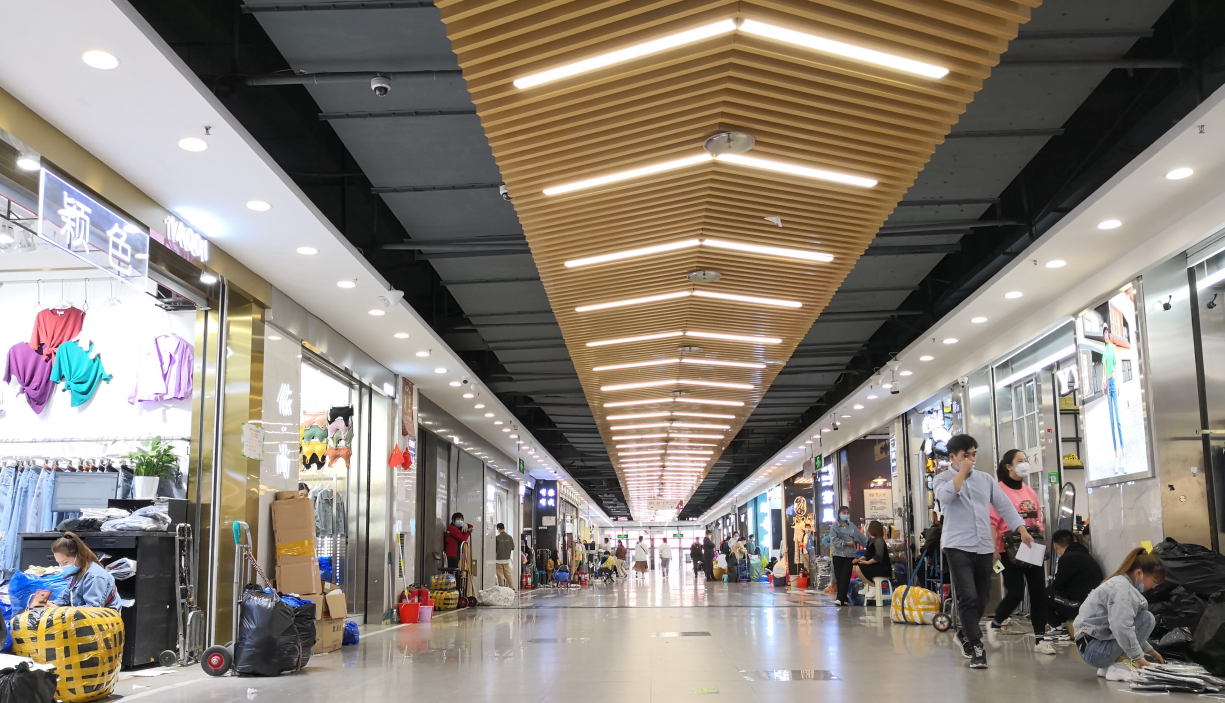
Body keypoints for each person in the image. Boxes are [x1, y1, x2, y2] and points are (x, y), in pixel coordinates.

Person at [933, 434, 1033, 670]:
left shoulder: (985, 480)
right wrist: (962, 472)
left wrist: (1022, 530)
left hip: (984, 547)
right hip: (957, 546)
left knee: (982, 597)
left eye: (974, 454)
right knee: (967, 596)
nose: (971, 459)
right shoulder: (942, 479)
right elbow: (946, 497)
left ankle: (964, 635)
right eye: (965, 455)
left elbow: (1004, 506)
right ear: (953, 457)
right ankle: (977, 646)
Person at [985, 450, 1054, 653]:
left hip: (1032, 545)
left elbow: (1037, 519)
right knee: (1015, 592)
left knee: (1038, 592)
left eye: (1025, 460)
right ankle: (995, 623)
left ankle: (1040, 639)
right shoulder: (998, 491)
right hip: (1008, 549)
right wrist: (993, 549)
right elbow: (992, 522)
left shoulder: (1029, 491)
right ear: (1008, 466)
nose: (1024, 464)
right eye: (1019, 461)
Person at [1074, 548, 1166, 678]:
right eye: (1154, 581)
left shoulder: (1118, 583)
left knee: (1142, 618)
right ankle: (1119, 666)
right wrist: (1138, 658)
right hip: (1096, 651)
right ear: (1139, 573)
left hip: (1091, 648)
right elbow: (1121, 627)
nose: (1153, 587)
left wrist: (1148, 649)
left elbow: (1126, 628)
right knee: (1147, 618)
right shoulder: (1123, 591)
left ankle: (1108, 667)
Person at [29, 532, 120, 610]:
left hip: (101, 623)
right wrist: (49, 604)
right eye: (59, 563)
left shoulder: (95, 576)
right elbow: (64, 599)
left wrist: (59, 610)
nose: (63, 566)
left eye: (65, 562)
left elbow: (93, 610)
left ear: (79, 556)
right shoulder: (78, 574)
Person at [1048, 529, 1104, 627]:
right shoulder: (1084, 554)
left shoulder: (1067, 558)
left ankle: (1057, 626)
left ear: (1055, 546)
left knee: (1046, 593)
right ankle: (1063, 623)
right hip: (1094, 604)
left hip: (1081, 606)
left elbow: (1058, 586)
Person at [828, 506, 868, 605]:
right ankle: (844, 598)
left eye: (847, 513)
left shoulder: (852, 526)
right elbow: (834, 540)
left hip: (849, 555)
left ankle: (839, 598)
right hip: (838, 555)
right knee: (839, 577)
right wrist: (846, 543)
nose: (846, 515)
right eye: (844, 513)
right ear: (839, 514)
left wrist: (871, 544)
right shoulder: (834, 527)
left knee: (846, 576)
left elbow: (861, 537)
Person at [853, 520, 891, 600]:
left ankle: (873, 586)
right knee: (855, 566)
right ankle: (868, 584)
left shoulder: (879, 540)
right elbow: (867, 554)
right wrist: (859, 560)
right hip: (874, 564)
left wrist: (867, 563)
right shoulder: (871, 540)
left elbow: (878, 556)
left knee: (859, 568)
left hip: (882, 567)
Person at [494, 522, 516, 589]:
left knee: (500, 575)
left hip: (498, 559)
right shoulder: (509, 537)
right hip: (507, 559)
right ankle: (512, 588)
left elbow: (494, 548)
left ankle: (502, 588)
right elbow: (513, 547)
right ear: (504, 528)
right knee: (508, 574)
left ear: (498, 529)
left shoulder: (497, 538)